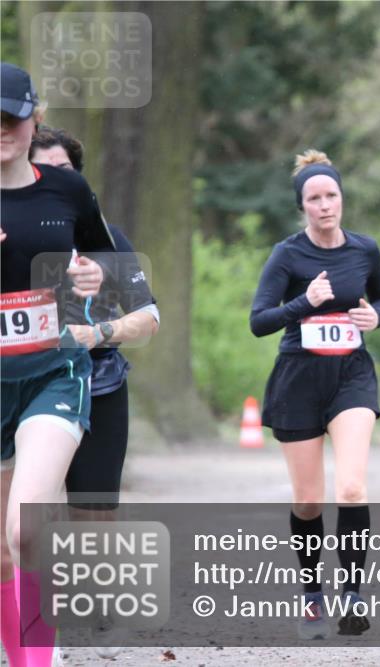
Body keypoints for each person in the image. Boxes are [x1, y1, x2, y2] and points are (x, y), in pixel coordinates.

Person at [250, 149, 380, 639]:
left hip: (352, 375)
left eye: (331, 195)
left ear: (342, 199)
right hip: (298, 380)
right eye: (314, 198)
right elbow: (258, 322)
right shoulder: (287, 255)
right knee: (308, 500)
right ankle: (313, 594)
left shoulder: (365, 250)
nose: (325, 205)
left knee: (351, 487)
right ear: (302, 206)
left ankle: (352, 597)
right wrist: (302, 303)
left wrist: (379, 316)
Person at [1, 62, 115, 667]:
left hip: (54, 371)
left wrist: (97, 275)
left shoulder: (65, 190)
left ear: (34, 118)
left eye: (13, 118)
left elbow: (109, 265)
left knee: (26, 530)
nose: (2, 129)